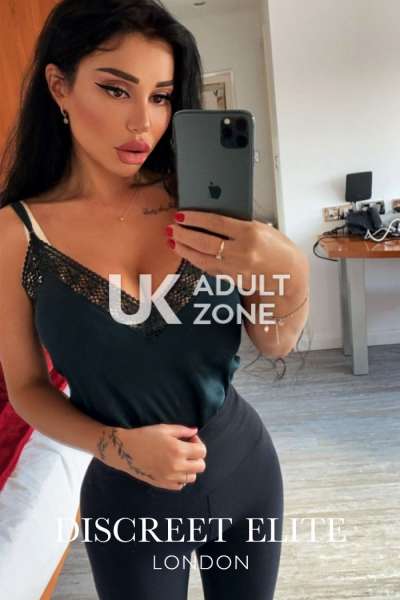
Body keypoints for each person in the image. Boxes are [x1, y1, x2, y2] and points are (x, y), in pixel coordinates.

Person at [0, 1, 309, 598]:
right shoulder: (17, 235)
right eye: (116, 90)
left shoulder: (200, 202)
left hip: (245, 472)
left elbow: (276, 341)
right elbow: (27, 388)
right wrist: (114, 447)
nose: (143, 122)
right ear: (59, 86)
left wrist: (289, 267)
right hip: (128, 498)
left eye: (162, 97)